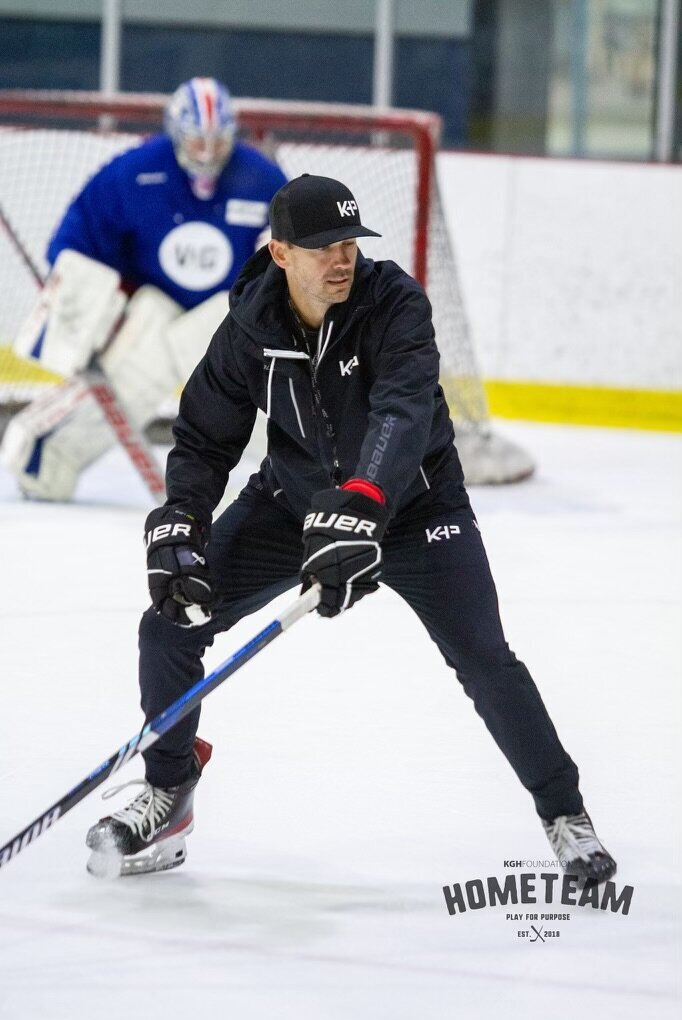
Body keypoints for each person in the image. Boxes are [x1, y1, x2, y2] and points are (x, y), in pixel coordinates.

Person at [85, 174, 617, 883]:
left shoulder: (394, 304)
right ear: (281, 253)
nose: (341, 259)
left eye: (349, 243)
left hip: (416, 508)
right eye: (322, 247)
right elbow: (206, 438)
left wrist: (362, 503)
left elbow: (402, 412)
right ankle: (169, 789)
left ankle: (565, 815)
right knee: (169, 626)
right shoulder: (250, 326)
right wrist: (181, 518)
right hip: (293, 505)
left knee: (485, 658)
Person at [0, 77, 287, 501]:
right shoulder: (135, 171)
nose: (207, 152)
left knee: (262, 403)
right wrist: (89, 305)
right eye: (197, 140)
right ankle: (46, 459)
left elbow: (291, 256)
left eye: (217, 141)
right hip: (155, 312)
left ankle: (312, 477)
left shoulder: (261, 179)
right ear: (176, 133)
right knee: (144, 338)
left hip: (230, 318)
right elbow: (78, 241)